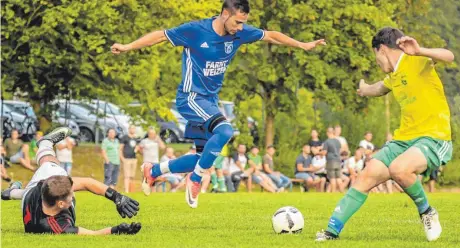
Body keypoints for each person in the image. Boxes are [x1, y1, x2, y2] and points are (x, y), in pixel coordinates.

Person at [113, 0, 326, 208]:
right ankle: (195, 179)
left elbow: (270, 35)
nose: (240, 28)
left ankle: (154, 171)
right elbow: (160, 35)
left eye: (243, 23)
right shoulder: (196, 31)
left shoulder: (239, 33)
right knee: (225, 131)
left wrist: (302, 45)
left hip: (210, 101)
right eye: (237, 23)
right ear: (225, 15)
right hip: (190, 97)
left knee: (202, 156)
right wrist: (127, 47)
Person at [316, 27, 454, 242]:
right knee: (367, 174)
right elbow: (379, 88)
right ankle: (330, 232)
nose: (377, 63)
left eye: (375, 57)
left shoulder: (416, 59)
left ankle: (427, 212)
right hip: (403, 139)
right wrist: (363, 88)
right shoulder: (394, 75)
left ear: (380, 49)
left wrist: (420, 50)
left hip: (434, 136)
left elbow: (449, 56)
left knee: (400, 169)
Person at [1, 127, 141, 235]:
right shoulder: (53, 226)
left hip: (31, 194)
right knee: (47, 166)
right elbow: (92, 234)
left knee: (49, 164)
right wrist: (116, 230)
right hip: (30, 197)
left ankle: (12, 191)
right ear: (61, 203)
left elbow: (87, 183)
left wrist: (117, 197)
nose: (73, 194)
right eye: (71, 194)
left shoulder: (48, 185)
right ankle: (45, 143)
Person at [321, 127, 343, 193]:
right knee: (339, 178)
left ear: (328, 133)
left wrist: (319, 153)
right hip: (338, 160)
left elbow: (324, 152)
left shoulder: (327, 142)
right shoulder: (337, 141)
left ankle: (333, 192)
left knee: (332, 178)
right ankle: (342, 192)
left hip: (331, 161)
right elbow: (340, 150)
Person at [119, 125, 139, 193]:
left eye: (134, 128)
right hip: (126, 159)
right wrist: (122, 158)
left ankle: (131, 190)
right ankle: (126, 190)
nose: (132, 129)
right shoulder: (125, 137)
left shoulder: (136, 138)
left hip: (134, 159)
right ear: (129, 129)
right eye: (131, 128)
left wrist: (137, 149)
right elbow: (120, 149)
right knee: (127, 176)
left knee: (132, 176)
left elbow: (138, 148)